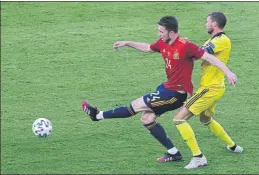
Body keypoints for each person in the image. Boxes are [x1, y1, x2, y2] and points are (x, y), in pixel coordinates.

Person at [81, 16, 237, 163]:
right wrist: (128, 42)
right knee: (147, 119)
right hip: (166, 88)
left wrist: (228, 72)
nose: (159, 34)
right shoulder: (163, 42)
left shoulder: (186, 46)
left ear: (171, 32)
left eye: (161, 31)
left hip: (176, 94)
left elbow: (210, 58)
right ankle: (173, 153)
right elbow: (148, 48)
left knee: (137, 105)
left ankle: (98, 115)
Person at [172, 12, 243, 170]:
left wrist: (185, 47)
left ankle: (198, 157)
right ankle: (232, 146)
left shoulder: (221, 40)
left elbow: (197, 55)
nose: (205, 24)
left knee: (178, 119)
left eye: (207, 22)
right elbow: (198, 53)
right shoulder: (213, 40)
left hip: (209, 89)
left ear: (214, 24)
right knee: (206, 120)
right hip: (214, 87)